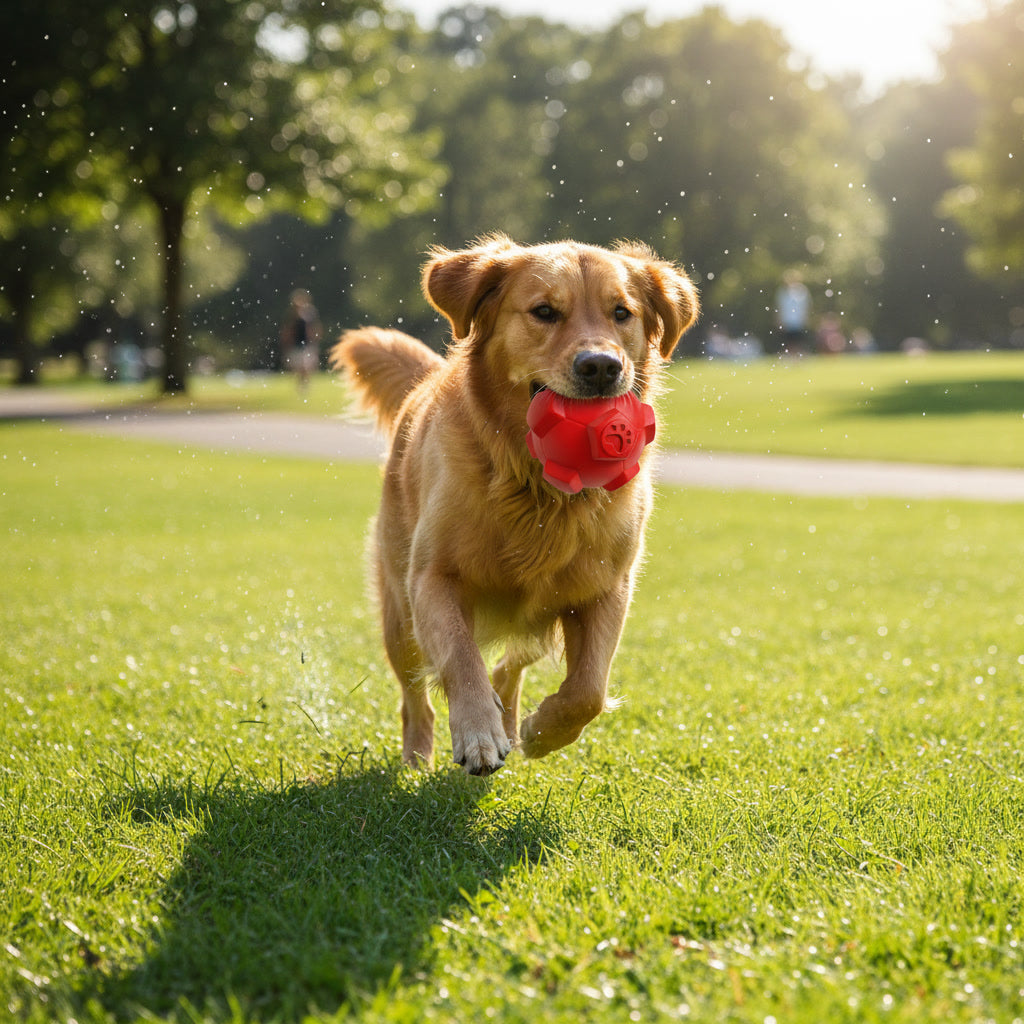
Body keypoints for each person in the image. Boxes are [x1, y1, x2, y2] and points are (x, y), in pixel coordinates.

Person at [280, 289, 323, 392]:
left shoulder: (309, 314)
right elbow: (288, 329)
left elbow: (314, 327)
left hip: (306, 344)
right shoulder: (292, 314)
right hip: (296, 344)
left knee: (306, 366)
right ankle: (301, 384)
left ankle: (304, 385)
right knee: (298, 367)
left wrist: (315, 338)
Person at [773, 270, 811, 355]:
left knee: (798, 341)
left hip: (798, 321)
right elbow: (779, 307)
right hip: (787, 321)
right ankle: (790, 357)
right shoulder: (783, 292)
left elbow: (806, 306)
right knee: (789, 342)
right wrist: (778, 320)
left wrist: (806, 319)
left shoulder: (802, 291)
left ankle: (797, 358)